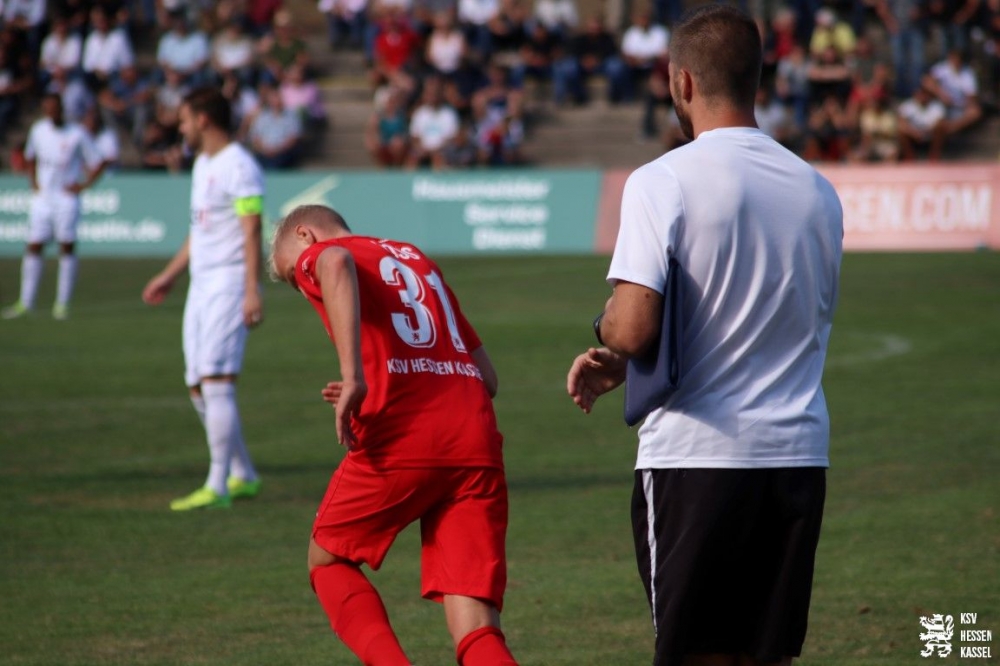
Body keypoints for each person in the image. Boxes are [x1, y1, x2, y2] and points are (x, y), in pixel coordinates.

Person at [565, 5, 843, 666]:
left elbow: (631, 325)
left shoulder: (663, 180)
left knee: (693, 654)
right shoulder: (818, 189)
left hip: (699, 459)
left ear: (682, 83)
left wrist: (608, 335)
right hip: (797, 453)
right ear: (757, 79)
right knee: (766, 653)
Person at [267, 204, 518, 666]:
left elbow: (334, 263)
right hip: (474, 440)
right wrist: (379, 371)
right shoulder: (415, 259)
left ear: (304, 234)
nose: (301, 286)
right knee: (477, 626)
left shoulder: (324, 252)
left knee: (328, 561)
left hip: (403, 435)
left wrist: (356, 376)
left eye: (292, 274)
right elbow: (487, 378)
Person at [141, 87, 264, 511]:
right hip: (200, 284)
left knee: (215, 380)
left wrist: (251, 289)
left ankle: (218, 484)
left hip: (230, 284)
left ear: (204, 120)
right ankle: (243, 472)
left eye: (185, 119)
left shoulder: (240, 166)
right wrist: (169, 275)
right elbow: (200, 231)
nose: (181, 126)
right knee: (197, 384)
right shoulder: (202, 164)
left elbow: (252, 230)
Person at [2, 93, 104, 321]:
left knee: (66, 247)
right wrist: (33, 182)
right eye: (47, 108)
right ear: (44, 110)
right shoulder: (38, 130)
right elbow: (30, 157)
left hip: (65, 199)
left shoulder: (77, 133)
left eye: (55, 108)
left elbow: (99, 161)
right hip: (42, 199)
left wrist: (84, 185)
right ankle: (25, 302)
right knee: (34, 246)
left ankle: (62, 303)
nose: (52, 113)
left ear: (61, 109)